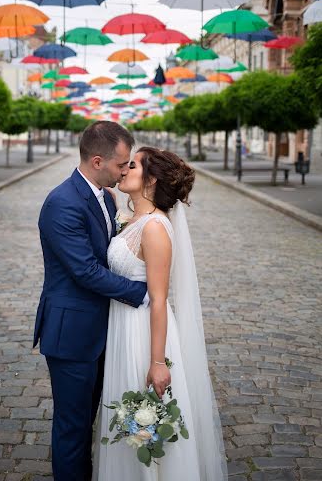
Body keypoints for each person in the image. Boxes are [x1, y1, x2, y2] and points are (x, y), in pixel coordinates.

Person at [93, 146, 228, 481]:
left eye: (133, 165)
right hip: (121, 326)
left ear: (150, 179)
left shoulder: (154, 227)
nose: (124, 169)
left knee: (143, 421)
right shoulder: (134, 220)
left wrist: (156, 362)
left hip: (141, 335)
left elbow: (158, 299)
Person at [33, 121, 148, 481]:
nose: (125, 170)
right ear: (97, 161)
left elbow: (108, 255)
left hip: (101, 332)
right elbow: (84, 271)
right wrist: (141, 293)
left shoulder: (107, 196)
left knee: (90, 423)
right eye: (121, 164)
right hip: (71, 336)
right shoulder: (62, 202)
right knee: (72, 428)